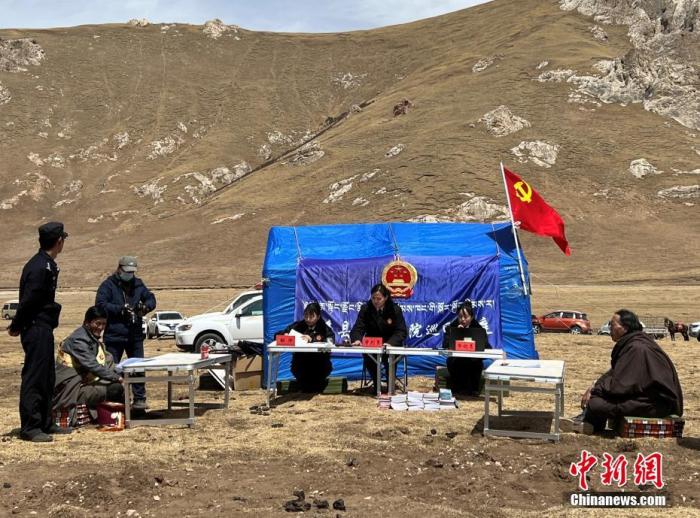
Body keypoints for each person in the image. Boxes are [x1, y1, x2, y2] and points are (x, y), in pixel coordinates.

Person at [566, 309, 684, 434]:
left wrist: (596, 390)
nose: (610, 328)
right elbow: (614, 372)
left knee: (596, 403)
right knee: (598, 397)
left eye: (612, 325)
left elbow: (620, 386)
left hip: (656, 404)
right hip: (647, 398)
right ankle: (588, 423)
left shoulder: (637, 348)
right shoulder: (634, 343)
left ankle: (588, 424)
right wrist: (595, 385)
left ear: (625, 327)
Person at [7, 222, 70, 442]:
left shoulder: (47, 265)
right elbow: (30, 300)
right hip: (35, 326)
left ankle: (45, 421)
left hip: (44, 326)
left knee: (47, 376)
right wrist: (17, 325)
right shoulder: (39, 267)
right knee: (35, 376)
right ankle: (31, 427)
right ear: (59, 241)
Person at [95, 256, 156, 410]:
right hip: (114, 335)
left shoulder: (138, 284)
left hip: (135, 335)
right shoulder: (108, 285)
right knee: (112, 369)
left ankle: (139, 400)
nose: (130, 274)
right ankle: (116, 400)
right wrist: (120, 310)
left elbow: (150, 298)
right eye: (127, 271)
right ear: (119, 269)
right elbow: (100, 305)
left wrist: (146, 307)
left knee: (138, 368)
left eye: (132, 272)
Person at [53, 306, 124, 426]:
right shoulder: (78, 340)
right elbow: (93, 366)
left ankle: (122, 415)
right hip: (72, 388)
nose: (101, 327)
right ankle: (112, 418)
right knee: (115, 389)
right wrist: (117, 378)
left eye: (103, 324)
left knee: (120, 381)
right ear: (87, 322)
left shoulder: (90, 338)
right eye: (97, 323)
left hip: (85, 382)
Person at [350, 283, 407, 390]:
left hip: (390, 343)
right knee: (369, 357)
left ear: (386, 298)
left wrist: (390, 343)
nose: (376, 301)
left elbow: (401, 331)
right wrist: (357, 339)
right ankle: (377, 386)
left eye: (379, 299)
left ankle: (390, 386)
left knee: (390, 359)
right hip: (373, 344)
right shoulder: (366, 309)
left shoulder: (395, 309)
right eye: (373, 298)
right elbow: (358, 327)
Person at [278, 302, 334, 392]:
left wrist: (312, 339)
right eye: (306, 316)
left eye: (311, 317)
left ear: (318, 317)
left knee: (315, 383)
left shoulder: (324, 328)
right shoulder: (298, 325)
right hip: (300, 362)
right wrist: (285, 334)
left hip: (319, 363)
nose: (308, 319)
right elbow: (279, 334)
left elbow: (330, 340)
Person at [442, 301, 489, 395]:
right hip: (456, 358)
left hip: (473, 358)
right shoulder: (451, 328)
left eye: (466, 317)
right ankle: (457, 389)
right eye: (460, 317)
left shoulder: (479, 329)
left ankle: (473, 389)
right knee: (451, 361)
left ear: (471, 317)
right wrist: (457, 334)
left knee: (476, 363)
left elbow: (486, 346)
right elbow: (445, 345)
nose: (462, 319)